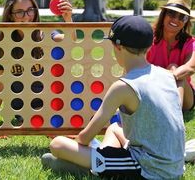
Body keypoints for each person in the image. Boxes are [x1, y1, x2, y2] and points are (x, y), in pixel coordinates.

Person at [41, 15, 185, 179]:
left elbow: (85, 137)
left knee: (58, 144)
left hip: (149, 169)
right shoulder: (165, 75)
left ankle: (95, 168)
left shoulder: (123, 86)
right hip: (173, 164)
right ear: (150, 45)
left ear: (117, 46)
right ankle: (99, 164)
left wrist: (76, 147)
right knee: (115, 127)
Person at [0, 0, 73, 126]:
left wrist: (68, 19)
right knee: (38, 121)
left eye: (30, 10)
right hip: (21, 105)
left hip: (49, 101)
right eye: (19, 12)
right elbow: (0, 85)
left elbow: (70, 41)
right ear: (10, 16)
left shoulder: (45, 35)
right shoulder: (1, 43)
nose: (26, 16)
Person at [147, 0, 195, 111]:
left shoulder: (190, 42)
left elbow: (190, 68)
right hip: (151, 89)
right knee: (173, 68)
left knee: (178, 72)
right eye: (172, 14)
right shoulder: (148, 37)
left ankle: (173, 116)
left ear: (186, 22)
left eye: (182, 17)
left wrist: (167, 77)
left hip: (184, 96)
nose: (175, 19)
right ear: (163, 15)